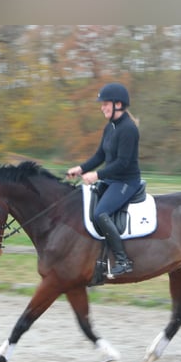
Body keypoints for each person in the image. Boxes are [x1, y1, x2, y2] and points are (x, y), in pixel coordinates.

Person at [67, 82, 142, 278]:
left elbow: (123, 163)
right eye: (102, 104)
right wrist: (82, 168)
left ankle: (123, 260)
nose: (102, 107)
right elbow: (100, 155)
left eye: (105, 104)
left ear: (118, 104)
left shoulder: (128, 129)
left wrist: (97, 175)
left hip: (127, 182)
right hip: (111, 180)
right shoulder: (110, 127)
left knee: (101, 213)